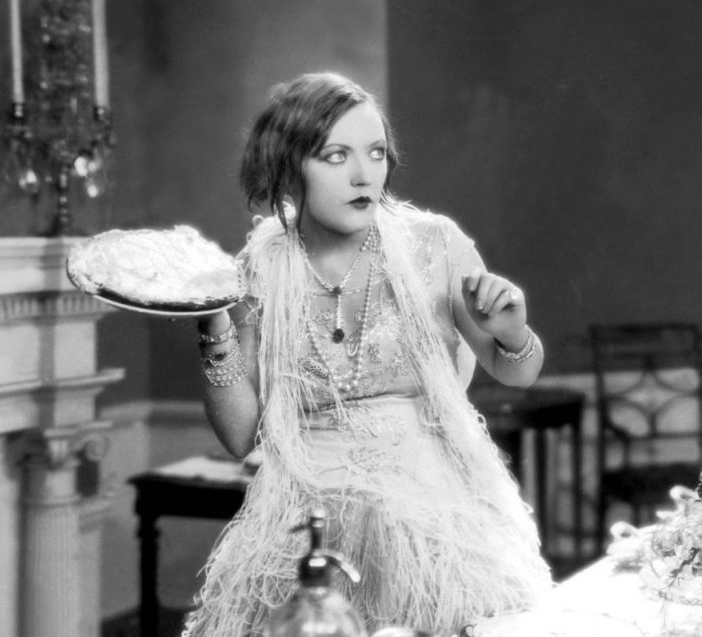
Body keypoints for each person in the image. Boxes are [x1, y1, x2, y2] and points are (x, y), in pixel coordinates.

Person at [182, 71, 552, 637]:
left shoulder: (434, 245)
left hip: (429, 523)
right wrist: (213, 322)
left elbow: (517, 373)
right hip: (305, 519)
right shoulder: (261, 266)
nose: (364, 175)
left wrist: (513, 332)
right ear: (289, 167)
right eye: (336, 156)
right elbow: (239, 436)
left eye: (376, 153)